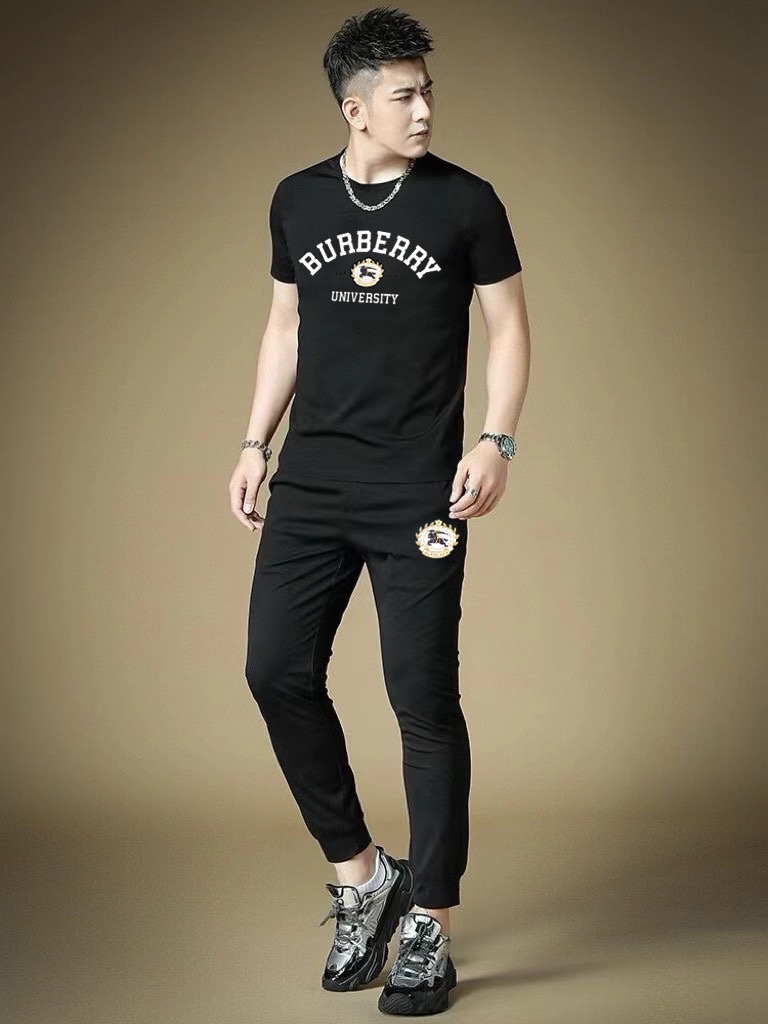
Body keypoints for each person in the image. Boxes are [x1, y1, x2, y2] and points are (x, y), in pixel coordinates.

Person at [229, 5, 530, 1016]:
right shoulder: (297, 199)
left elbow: (509, 325)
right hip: (312, 485)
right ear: (354, 108)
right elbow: (284, 325)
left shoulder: (467, 203)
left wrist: (495, 440)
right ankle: (363, 876)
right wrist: (253, 443)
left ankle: (429, 920)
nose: (426, 108)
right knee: (274, 670)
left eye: (429, 90)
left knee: (422, 700)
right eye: (405, 95)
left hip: (421, 493)